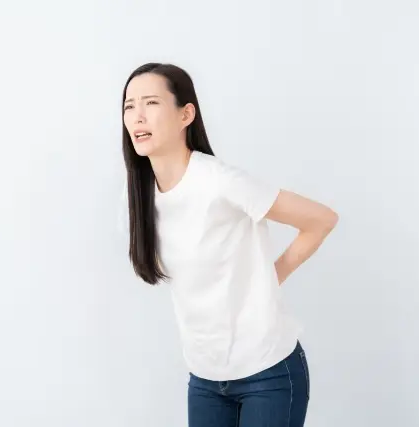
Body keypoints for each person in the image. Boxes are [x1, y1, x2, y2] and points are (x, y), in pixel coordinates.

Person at [119, 62, 338, 427]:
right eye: (129, 106)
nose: (137, 116)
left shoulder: (220, 181)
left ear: (186, 114)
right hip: (205, 379)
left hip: (268, 372)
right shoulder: (142, 197)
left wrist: (269, 278)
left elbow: (320, 220)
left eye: (151, 103)